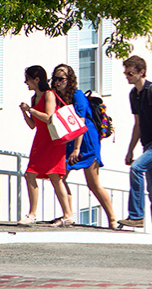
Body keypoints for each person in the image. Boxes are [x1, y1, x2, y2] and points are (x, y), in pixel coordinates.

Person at [51, 64, 117, 228]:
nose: (58, 82)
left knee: (93, 183)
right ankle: (69, 214)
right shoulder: (56, 97)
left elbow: (80, 124)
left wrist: (76, 149)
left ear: (69, 79)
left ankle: (113, 219)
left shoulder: (77, 95)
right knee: (59, 176)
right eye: (56, 79)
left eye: (61, 79)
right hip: (70, 140)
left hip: (85, 140)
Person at [117, 55, 152, 234]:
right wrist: (130, 149)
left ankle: (136, 216)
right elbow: (138, 125)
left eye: (130, 73)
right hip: (148, 143)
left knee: (136, 168)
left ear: (142, 72)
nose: (127, 76)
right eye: (126, 73)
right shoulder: (134, 94)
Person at [17, 65, 74, 227]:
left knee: (55, 176)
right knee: (30, 174)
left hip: (52, 141)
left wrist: (31, 110)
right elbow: (33, 125)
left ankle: (67, 215)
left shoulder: (49, 95)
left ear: (36, 80)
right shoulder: (34, 98)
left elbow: (49, 117)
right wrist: (25, 112)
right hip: (40, 140)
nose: (26, 82)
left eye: (28, 79)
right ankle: (33, 213)